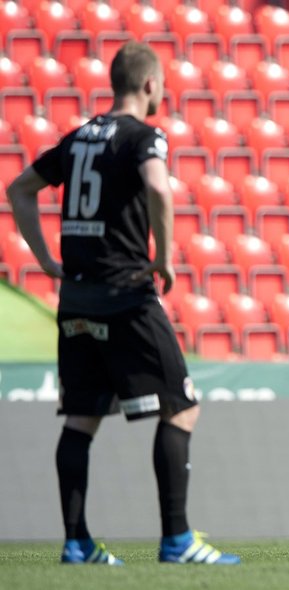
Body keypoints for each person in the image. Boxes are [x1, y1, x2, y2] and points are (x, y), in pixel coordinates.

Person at [5, 42, 240, 566]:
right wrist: (166, 256)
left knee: (81, 420)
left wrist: (44, 257)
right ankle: (177, 541)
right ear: (151, 85)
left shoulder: (79, 138)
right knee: (181, 409)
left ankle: (76, 543)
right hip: (126, 294)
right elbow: (159, 188)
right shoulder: (143, 136)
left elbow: (20, 189)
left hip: (77, 298)